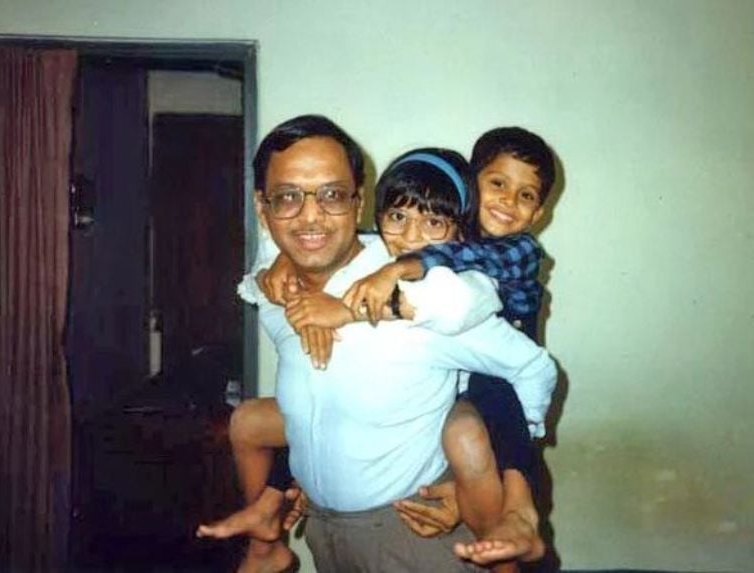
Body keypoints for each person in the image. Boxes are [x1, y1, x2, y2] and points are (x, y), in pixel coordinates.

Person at [203, 115, 556, 572]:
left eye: (331, 194)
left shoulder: (444, 285)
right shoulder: (292, 277)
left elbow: (463, 304)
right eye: (288, 196)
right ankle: (265, 531)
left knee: (471, 432)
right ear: (262, 207)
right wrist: (277, 273)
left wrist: (343, 310)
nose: (310, 215)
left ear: (357, 201)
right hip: (327, 534)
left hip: (409, 533)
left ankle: (516, 518)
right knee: (260, 417)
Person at [342, 127, 557, 567]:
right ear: (472, 183)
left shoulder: (520, 249)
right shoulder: (444, 227)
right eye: (498, 183)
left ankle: (519, 512)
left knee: (484, 421)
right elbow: (368, 239)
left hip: (503, 369)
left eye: (526, 195)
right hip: (454, 374)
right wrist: (283, 266)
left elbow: (462, 259)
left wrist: (398, 269)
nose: (508, 201)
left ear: (537, 212)